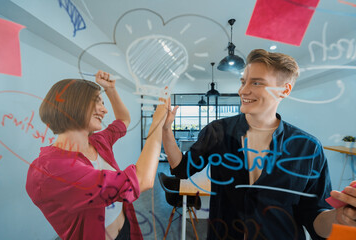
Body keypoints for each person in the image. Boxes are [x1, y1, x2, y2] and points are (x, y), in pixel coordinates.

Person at [162, 49, 356, 239]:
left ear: (284, 90)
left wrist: (340, 218)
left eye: (256, 82)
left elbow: (314, 215)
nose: (243, 90)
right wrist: (165, 130)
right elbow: (182, 170)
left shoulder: (308, 148)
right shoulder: (217, 131)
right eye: (243, 81)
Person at [26, 70, 167, 240]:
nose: (105, 110)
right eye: (97, 102)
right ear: (72, 104)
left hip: (126, 227)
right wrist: (158, 120)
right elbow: (142, 179)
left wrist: (111, 89)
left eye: (103, 103)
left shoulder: (99, 141)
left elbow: (123, 120)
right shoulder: (52, 169)